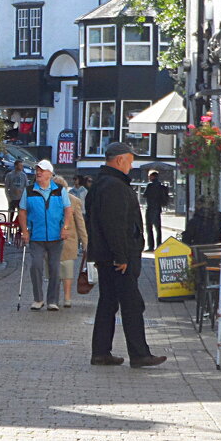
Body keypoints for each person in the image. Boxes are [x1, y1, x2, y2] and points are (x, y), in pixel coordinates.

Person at [85, 141, 166, 368]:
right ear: (120, 160)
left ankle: (101, 353)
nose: (131, 166)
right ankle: (139, 354)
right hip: (117, 259)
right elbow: (115, 225)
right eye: (129, 161)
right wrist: (121, 257)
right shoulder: (114, 186)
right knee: (132, 304)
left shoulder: (101, 184)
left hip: (105, 256)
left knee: (108, 302)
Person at [18, 160, 72, 311]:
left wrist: (65, 227)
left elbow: (68, 210)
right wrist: (25, 231)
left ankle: (52, 300)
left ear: (50, 173)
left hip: (56, 236)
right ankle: (38, 298)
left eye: (42, 170)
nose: (38, 173)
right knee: (35, 265)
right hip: (36, 236)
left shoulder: (60, 190)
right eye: (37, 170)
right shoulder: (29, 190)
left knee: (54, 268)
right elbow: (22, 211)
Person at [55, 174, 88, 308]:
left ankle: (67, 297)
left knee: (66, 271)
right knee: (56, 271)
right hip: (54, 241)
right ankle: (57, 298)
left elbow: (80, 223)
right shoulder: (49, 200)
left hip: (68, 240)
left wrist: (86, 243)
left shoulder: (74, 201)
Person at [143, 171, 169, 250]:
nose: (149, 178)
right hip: (158, 208)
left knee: (149, 228)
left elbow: (144, 195)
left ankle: (151, 246)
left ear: (152, 177)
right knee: (158, 228)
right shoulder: (161, 186)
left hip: (150, 208)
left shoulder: (150, 185)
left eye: (149, 176)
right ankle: (159, 245)